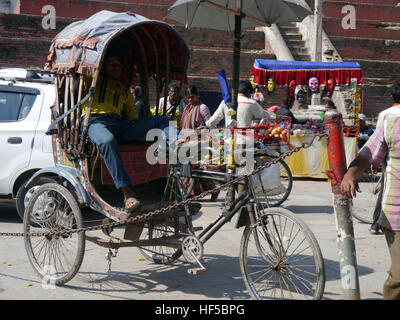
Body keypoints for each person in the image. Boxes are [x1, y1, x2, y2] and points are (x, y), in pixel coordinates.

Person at [81, 54, 179, 213]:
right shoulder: (91, 81)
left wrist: (140, 134)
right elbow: (79, 75)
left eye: (118, 65)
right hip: (95, 121)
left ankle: (176, 143)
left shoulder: (124, 92)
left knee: (163, 120)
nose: (116, 68)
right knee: (107, 141)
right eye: (112, 64)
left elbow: (132, 118)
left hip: (119, 124)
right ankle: (127, 193)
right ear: (103, 67)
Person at [340, 80, 400, 300]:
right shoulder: (392, 119)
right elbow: (369, 153)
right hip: (397, 210)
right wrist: (350, 174)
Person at [206, 80, 272, 129]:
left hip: (228, 142)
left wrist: (217, 136)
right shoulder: (251, 103)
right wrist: (275, 116)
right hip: (246, 143)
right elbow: (267, 116)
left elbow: (210, 123)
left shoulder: (225, 102)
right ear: (248, 92)